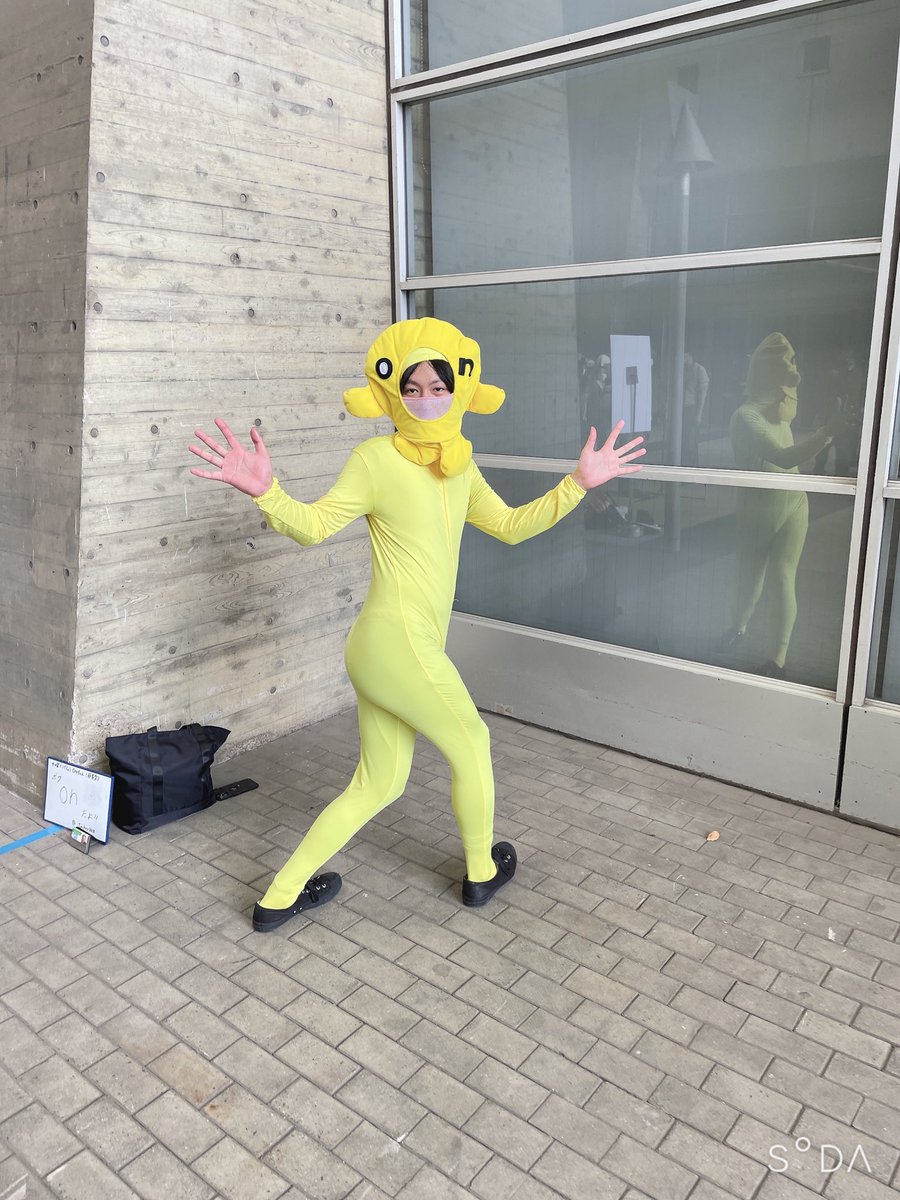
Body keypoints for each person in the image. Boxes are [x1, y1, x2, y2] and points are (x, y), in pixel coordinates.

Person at [189, 318, 645, 931]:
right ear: (393, 395)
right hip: (394, 643)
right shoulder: (375, 459)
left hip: (388, 651)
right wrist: (268, 493)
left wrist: (577, 485)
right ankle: (480, 871)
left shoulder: (460, 466)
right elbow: (315, 526)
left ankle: (279, 897)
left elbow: (511, 526)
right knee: (472, 742)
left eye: (438, 387)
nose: (426, 400)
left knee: (379, 784)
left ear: (459, 390)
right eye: (412, 389)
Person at [722, 332, 843, 678]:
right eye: (787, 363)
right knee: (750, 577)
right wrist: (826, 433)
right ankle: (738, 628)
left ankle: (777, 658)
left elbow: (787, 457)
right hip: (759, 509)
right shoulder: (746, 416)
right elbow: (784, 456)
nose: (793, 371)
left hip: (792, 504)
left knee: (782, 577)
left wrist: (826, 431)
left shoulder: (776, 415)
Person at [682, 351, 709, 467]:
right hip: (682, 408)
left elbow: (703, 393)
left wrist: (699, 414)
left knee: (691, 440)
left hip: (692, 408)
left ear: (691, 356)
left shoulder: (699, 370)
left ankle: (691, 465)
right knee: (683, 439)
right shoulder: (681, 369)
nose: (684, 360)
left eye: (686, 357)